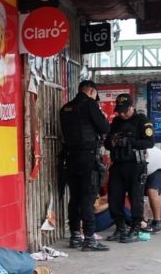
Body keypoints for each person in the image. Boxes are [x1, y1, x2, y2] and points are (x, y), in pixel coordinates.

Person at [59, 80, 110, 251]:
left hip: (71, 159)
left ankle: (75, 236)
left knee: (74, 199)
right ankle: (89, 238)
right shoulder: (90, 105)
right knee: (88, 199)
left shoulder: (65, 109)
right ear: (91, 91)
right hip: (89, 159)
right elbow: (104, 127)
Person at [103, 93, 154, 243]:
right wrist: (112, 143)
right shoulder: (116, 122)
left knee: (135, 198)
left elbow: (149, 142)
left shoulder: (142, 121)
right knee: (114, 198)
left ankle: (135, 228)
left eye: (125, 110)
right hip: (118, 165)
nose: (123, 114)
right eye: (120, 111)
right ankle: (120, 228)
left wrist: (130, 142)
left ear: (132, 107)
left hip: (135, 166)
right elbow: (106, 143)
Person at [141, 146, 161, 233]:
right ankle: (143, 219)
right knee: (133, 191)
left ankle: (157, 221)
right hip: (149, 168)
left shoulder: (142, 154)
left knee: (151, 191)